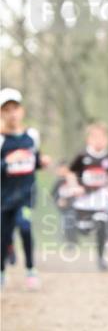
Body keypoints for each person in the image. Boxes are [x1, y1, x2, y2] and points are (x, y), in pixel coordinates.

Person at [1, 88, 50, 289]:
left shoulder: (32, 136)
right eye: (7, 109)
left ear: (22, 110)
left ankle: (31, 270)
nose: (12, 113)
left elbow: (34, 161)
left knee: (25, 226)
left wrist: (42, 162)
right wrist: (6, 162)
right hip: (4, 197)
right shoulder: (2, 139)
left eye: (15, 108)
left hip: (26, 195)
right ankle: (2, 271)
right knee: (3, 235)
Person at [69, 122, 108, 271]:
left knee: (102, 224)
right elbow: (70, 173)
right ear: (88, 139)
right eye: (95, 137)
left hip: (101, 200)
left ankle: (101, 258)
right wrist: (75, 186)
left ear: (107, 139)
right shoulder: (82, 156)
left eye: (102, 137)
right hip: (84, 202)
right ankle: (82, 229)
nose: (98, 140)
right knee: (84, 230)